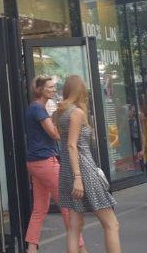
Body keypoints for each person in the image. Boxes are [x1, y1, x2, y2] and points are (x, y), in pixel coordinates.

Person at [55, 75, 121, 253]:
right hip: (83, 170)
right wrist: (78, 177)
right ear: (81, 91)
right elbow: (72, 145)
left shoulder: (60, 113)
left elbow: (65, 142)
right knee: (111, 224)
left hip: (67, 170)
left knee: (75, 226)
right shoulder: (77, 112)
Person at [25, 76, 85, 253]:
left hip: (35, 163)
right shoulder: (38, 109)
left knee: (39, 209)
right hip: (46, 162)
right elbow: (56, 134)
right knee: (67, 205)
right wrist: (63, 119)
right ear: (40, 90)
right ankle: (80, 247)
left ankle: (31, 248)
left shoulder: (35, 108)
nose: (53, 89)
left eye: (54, 86)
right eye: (50, 87)